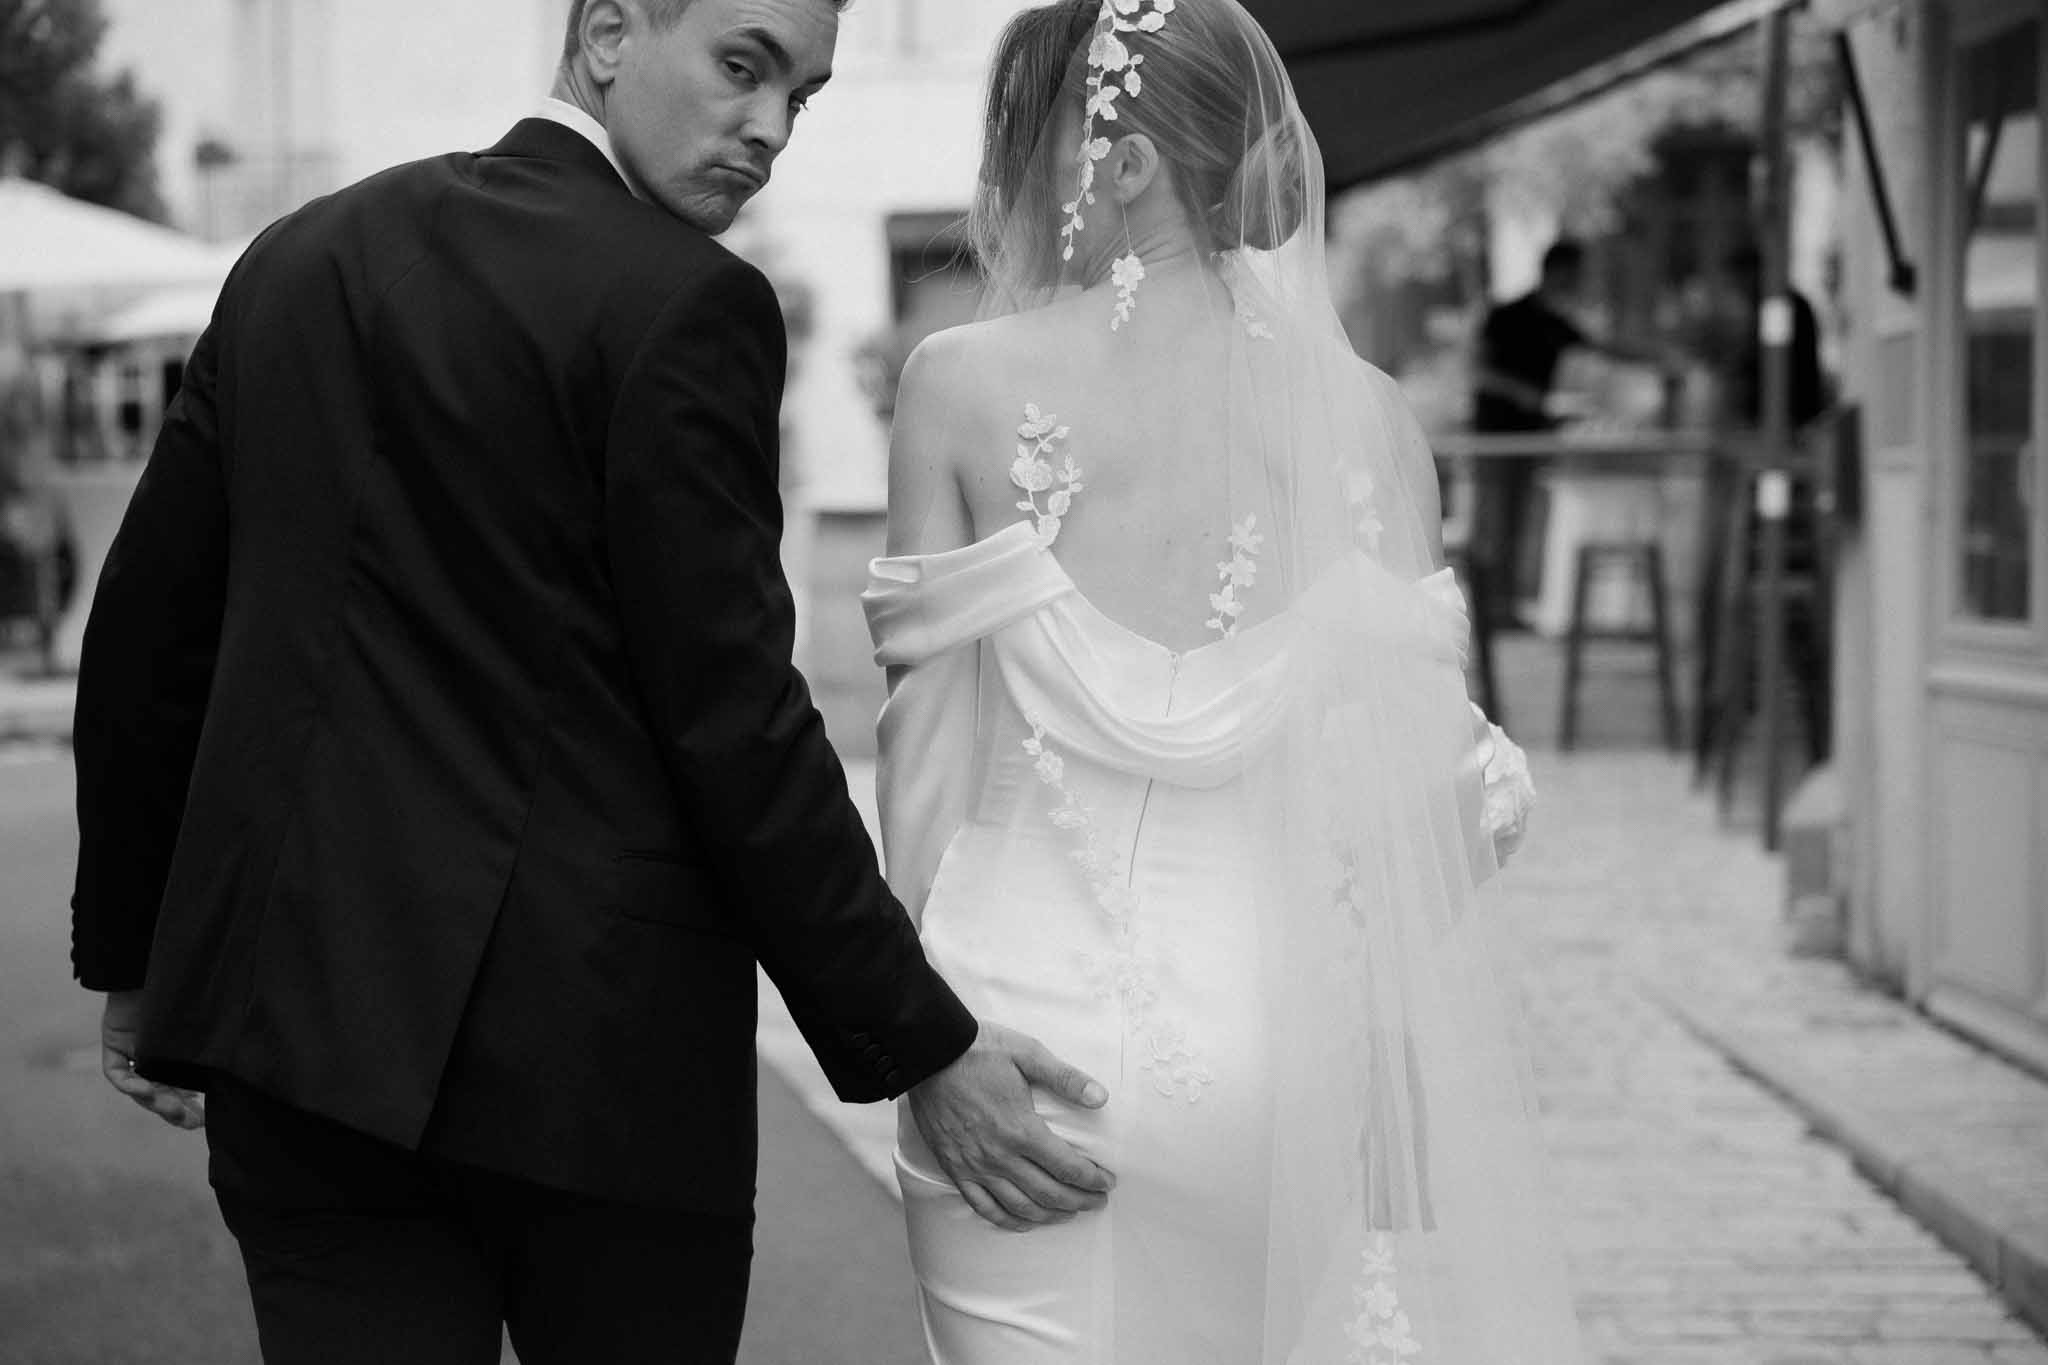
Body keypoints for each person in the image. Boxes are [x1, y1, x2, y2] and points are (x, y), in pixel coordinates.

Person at [69, 2, 1115, 1361]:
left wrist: (137, 954)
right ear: (609, 31)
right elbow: (735, 726)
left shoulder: (297, 261)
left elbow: (152, 628)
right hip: (596, 1083)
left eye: (800, 99)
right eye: (744, 67)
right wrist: (918, 1040)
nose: (768, 130)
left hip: (302, 1044)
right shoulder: (688, 304)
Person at [866, 1, 1577, 1360]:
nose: (1001, 181)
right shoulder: (1365, 419)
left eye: (1023, 139)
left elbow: (926, 766)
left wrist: (924, 1037)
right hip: (1284, 1069)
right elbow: (1452, 802)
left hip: (1018, 1041)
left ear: (1122, 166)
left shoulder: (959, 386)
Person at [1468, 238, 1670, 625]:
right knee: (1493, 521)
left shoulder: (1555, 323)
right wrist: (1523, 393)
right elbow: (1479, 370)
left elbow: (1600, 349)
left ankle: (1505, 608)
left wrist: (1658, 359)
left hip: (1531, 437)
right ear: (1557, 271)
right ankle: (1487, 610)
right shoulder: (1507, 316)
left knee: (1519, 521)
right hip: (1495, 436)